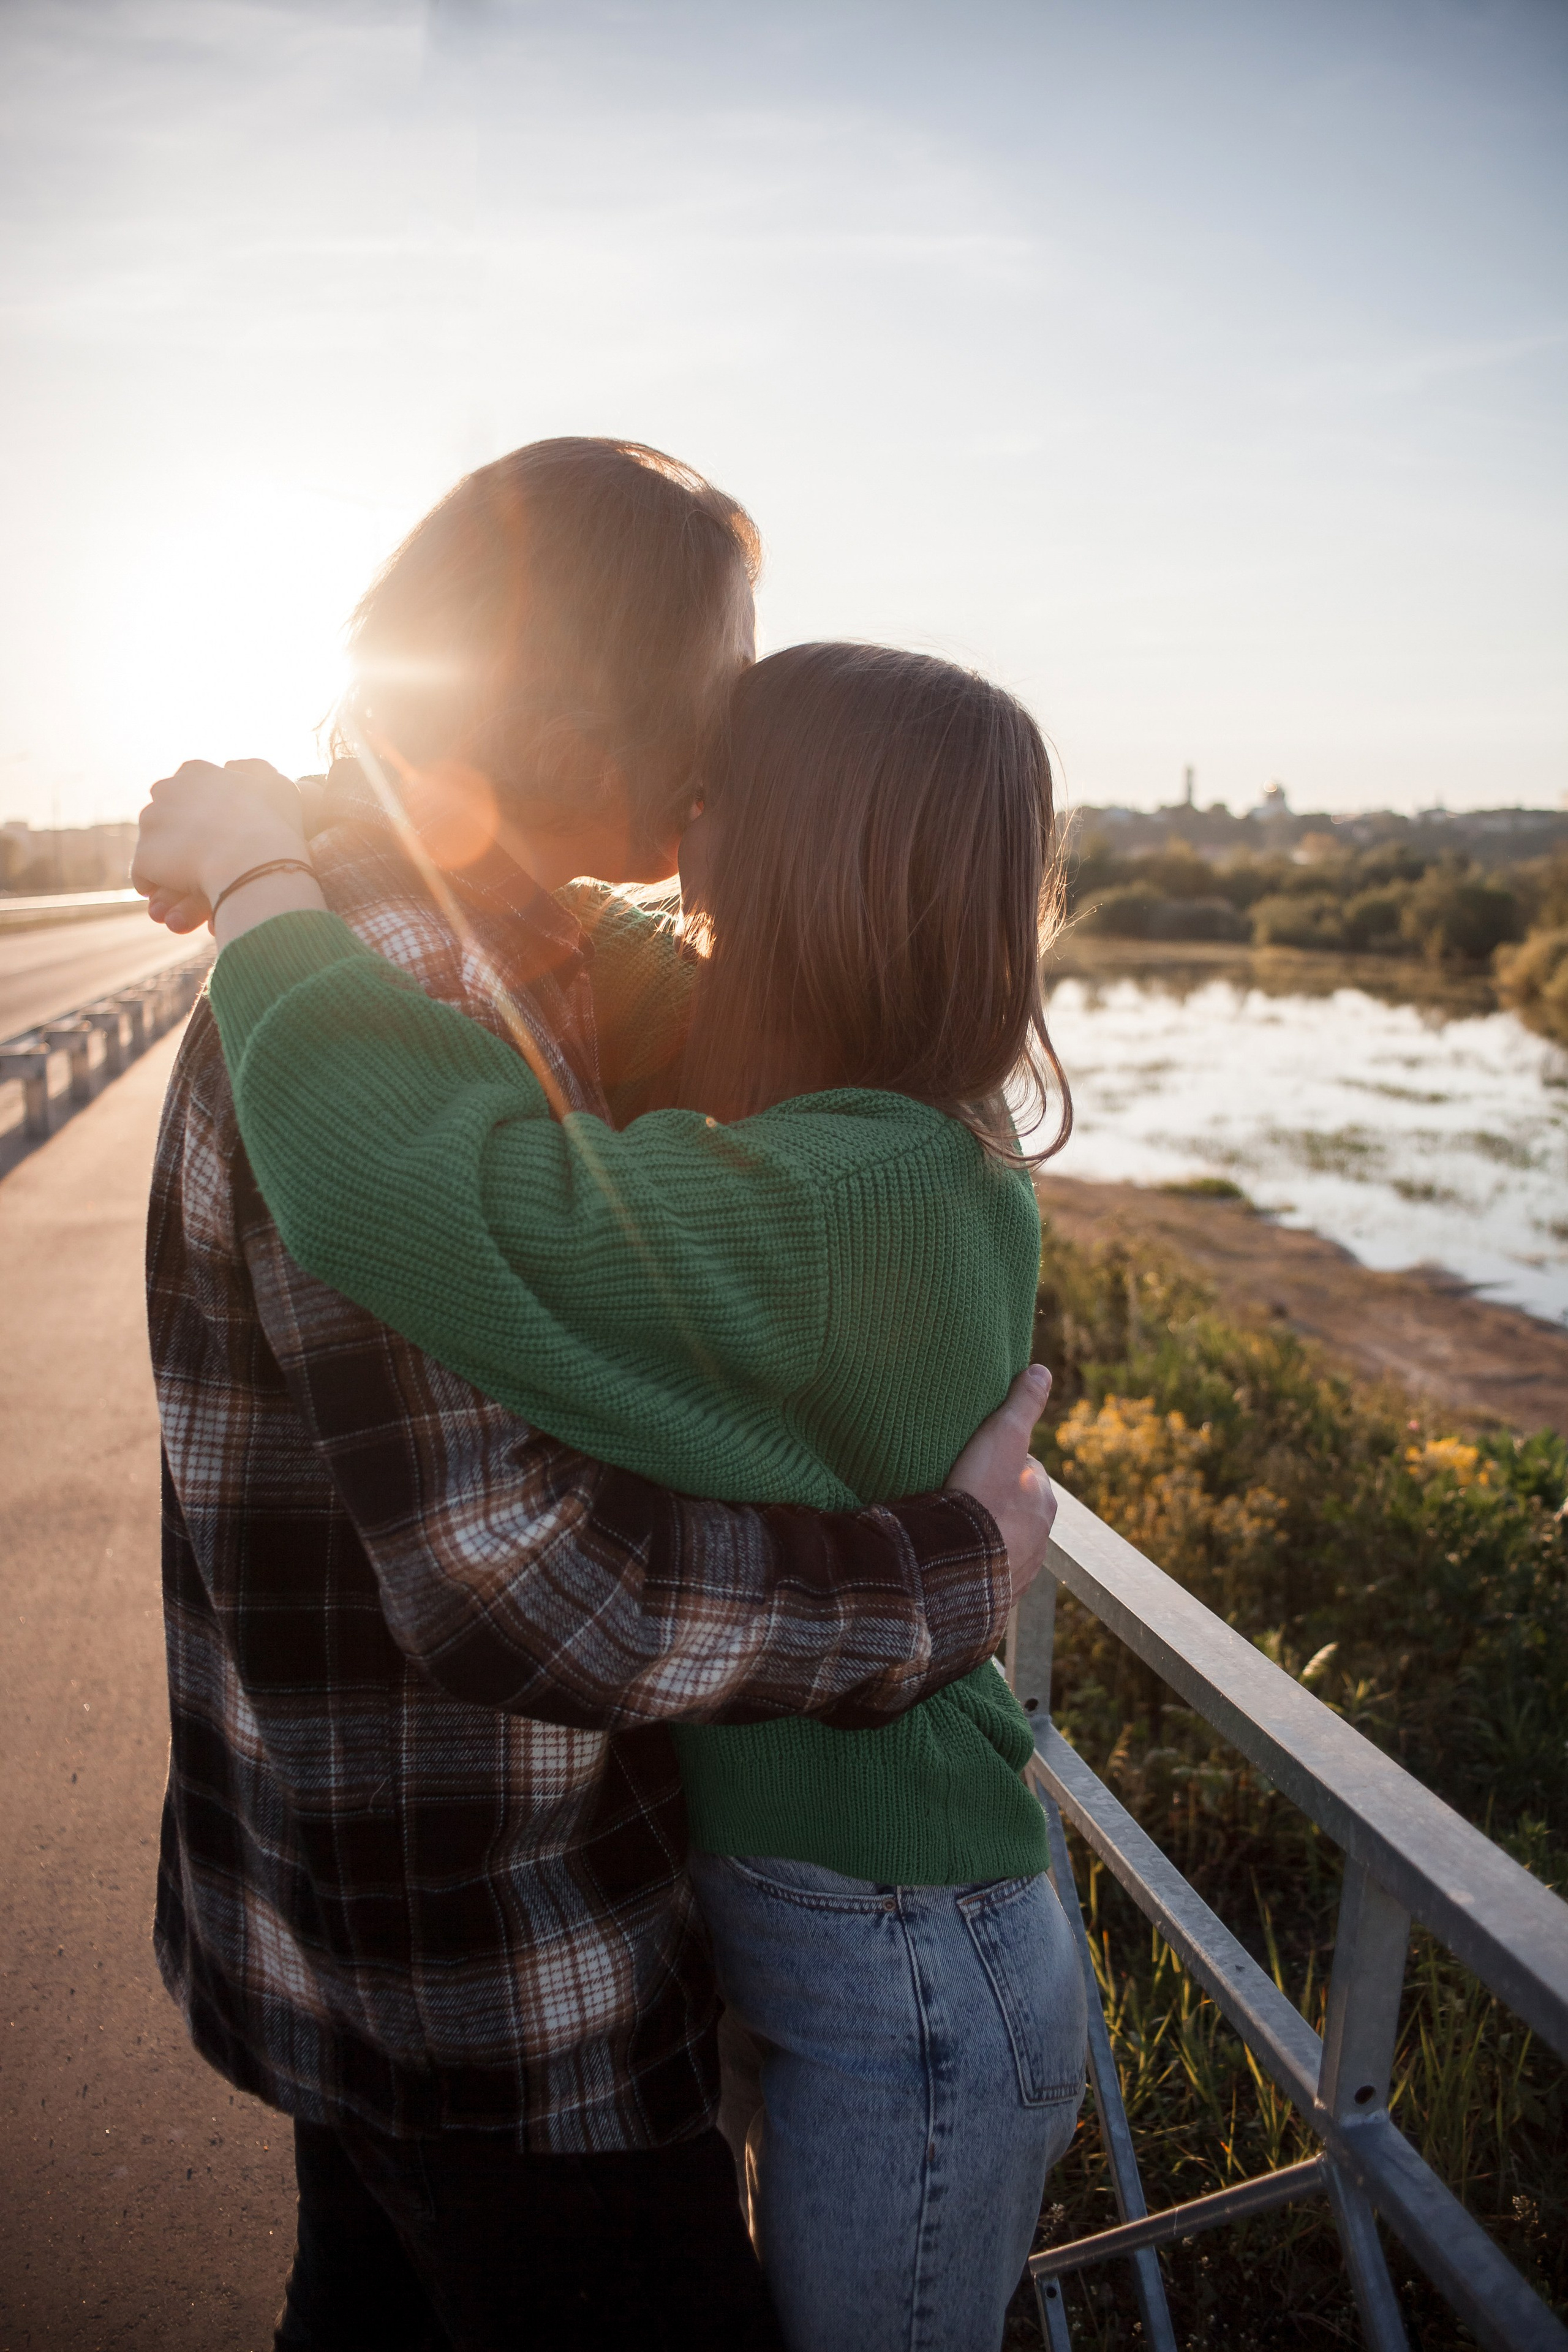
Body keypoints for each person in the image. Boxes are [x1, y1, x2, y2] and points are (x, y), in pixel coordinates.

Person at [136, 440, 1058, 2352]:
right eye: (719, 672)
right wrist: (947, 1581)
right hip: (495, 1968)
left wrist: (266, 840)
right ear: (593, 684)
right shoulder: (392, 977)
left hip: (414, 1925)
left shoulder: (484, 954)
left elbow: (641, 1053)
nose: (734, 722)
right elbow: (513, 1577)